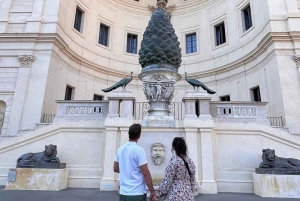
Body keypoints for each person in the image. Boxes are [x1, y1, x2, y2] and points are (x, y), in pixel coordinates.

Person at [114, 123, 156, 201]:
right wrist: (152, 191)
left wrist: (127, 169)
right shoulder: (139, 150)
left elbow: (115, 168)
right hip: (136, 193)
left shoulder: (120, 149)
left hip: (123, 193)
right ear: (139, 135)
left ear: (129, 134)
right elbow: (145, 173)